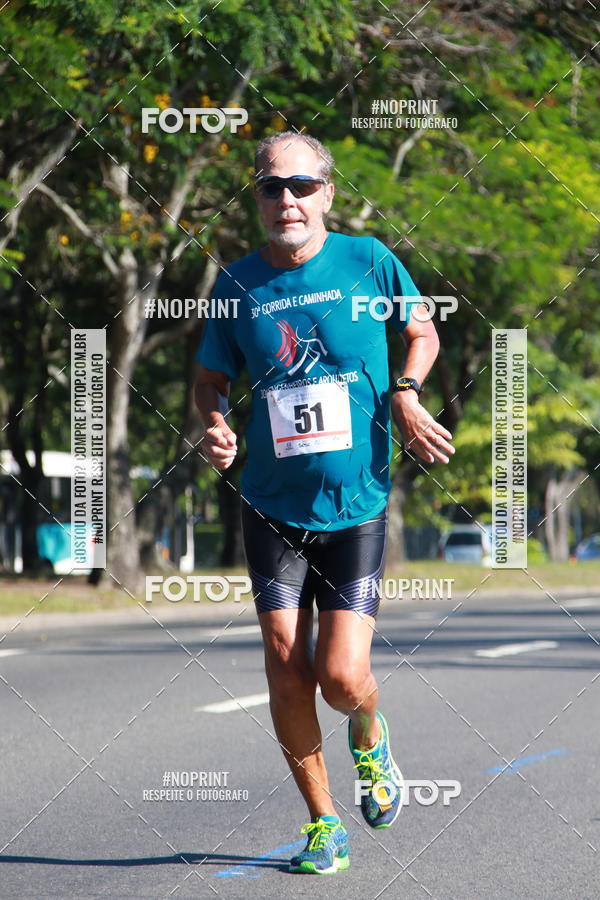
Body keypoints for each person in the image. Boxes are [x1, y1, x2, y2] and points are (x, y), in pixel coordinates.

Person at [194, 132, 454, 875]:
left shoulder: (369, 261)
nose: (288, 201)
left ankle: (370, 736)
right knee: (285, 665)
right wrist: (214, 424)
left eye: (302, 186)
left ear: (328, 193)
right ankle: (323, 824)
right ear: (258, 198)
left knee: (341, 677)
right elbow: (210, 377)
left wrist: (404, 392)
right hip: (272, 502)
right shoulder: (235, 284)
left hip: (356, 501)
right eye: (272, 187)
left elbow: (421, 331)